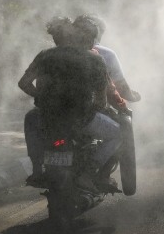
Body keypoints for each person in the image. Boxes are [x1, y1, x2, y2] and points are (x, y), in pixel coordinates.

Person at [19, 17, 122, 191]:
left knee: (30, 118)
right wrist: (97, 106)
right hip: (81, 119)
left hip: (48, 117)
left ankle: (37, 170)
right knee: (118, 134)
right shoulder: (95, 60)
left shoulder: (45, 56)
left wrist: (42, 97)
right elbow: (100, 100)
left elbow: (24, 83)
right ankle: (88, 173)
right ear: (89, 39)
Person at [84, 14, 141, 103]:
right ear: (99, 32)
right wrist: (134, 96)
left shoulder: (64, 49)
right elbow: (122, 90)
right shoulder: (107, 54)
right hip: (91, 109)